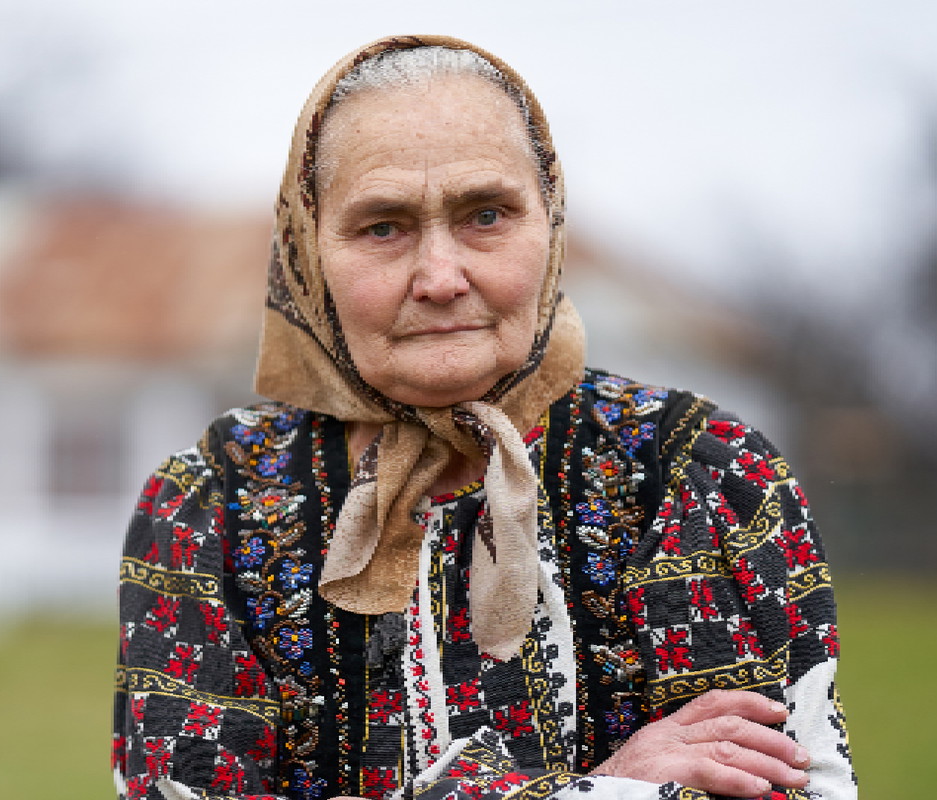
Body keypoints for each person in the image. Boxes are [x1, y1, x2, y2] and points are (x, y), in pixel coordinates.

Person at [112, 35, 856, 800]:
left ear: (550, 223)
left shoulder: (694, 472)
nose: (440, 277)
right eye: (383, 226)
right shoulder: (216, 503)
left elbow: (785, 785)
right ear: (309, 249)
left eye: (487, 214)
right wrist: (602, 788)